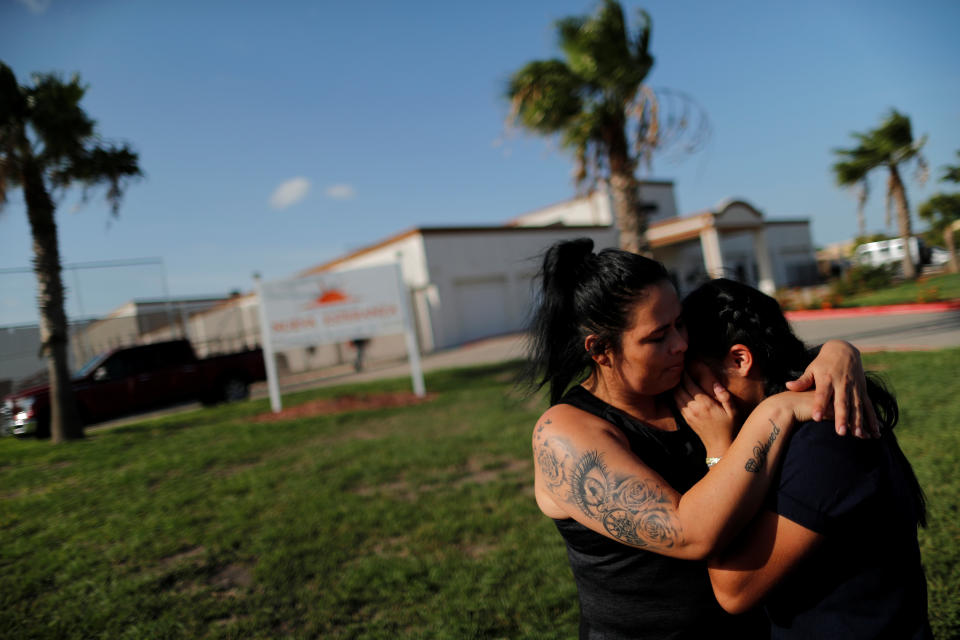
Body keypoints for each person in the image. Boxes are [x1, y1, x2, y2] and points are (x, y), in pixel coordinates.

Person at [525, 238, 872, 639]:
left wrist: (839, 351)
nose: (681, 344)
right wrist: (769, 415)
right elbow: (691, 534)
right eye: (658, 337)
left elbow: (768, 364)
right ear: (601, 350)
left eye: (680, 323)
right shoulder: (565, 435)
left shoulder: (681, 386)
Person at [678, 278, 931, 639]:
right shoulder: (784, 421)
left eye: (692, 380)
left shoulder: (825, 441)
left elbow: (734, 590)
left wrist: (717, 451)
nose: (687, 400)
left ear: (740, 359)